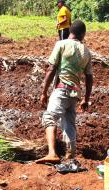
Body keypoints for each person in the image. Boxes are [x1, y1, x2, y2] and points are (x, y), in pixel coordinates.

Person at [36, 20, 92, 164]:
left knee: (48, 118)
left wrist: (44, 91)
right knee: (69, 124)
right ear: (82, 34)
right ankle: (70, 156)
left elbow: (51, 69)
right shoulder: (86, 51)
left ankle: (52, 153)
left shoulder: (61, 44)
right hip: (75, 94)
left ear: (70, 32)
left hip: (61, 89)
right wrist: (86, 99)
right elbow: (89, 77)